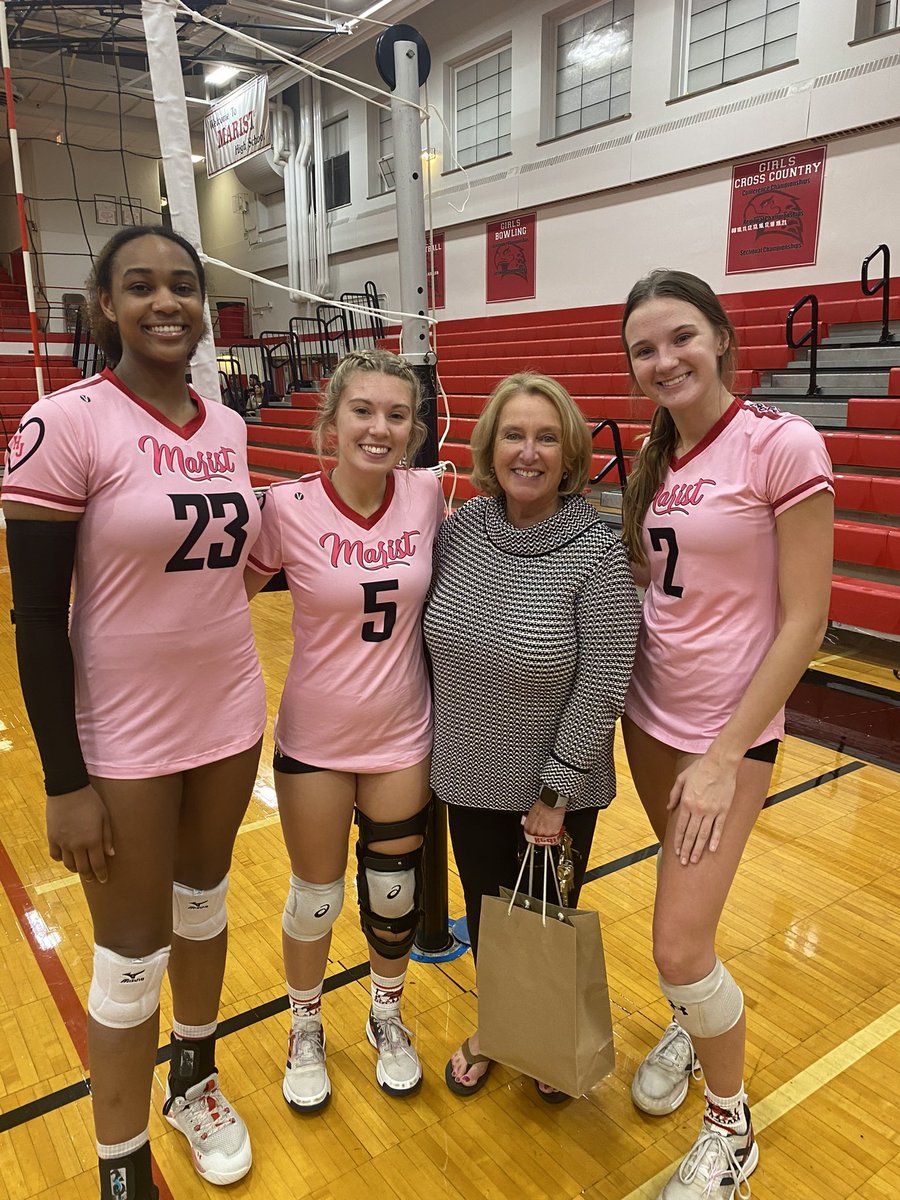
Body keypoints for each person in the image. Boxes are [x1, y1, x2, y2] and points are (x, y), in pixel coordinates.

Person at [2, 226, 267, 1200]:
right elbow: (35, 623)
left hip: (231, 715)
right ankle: (120, 1166)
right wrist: (64, 781)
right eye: (141, 286)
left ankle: (193, 1085)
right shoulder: (64, 423)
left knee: (205, 907)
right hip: (124, 736)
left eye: (184, 287)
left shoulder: (228, 426)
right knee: (129, 955)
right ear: (103, 305)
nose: (168, 302)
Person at [619, 270, 834, 1199]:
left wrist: (721, 756)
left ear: (722, 339)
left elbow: (806, 621)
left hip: (725, 736)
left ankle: (730, 1127)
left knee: (675, 941)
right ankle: (689, 1022)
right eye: (644, 350)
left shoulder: (781, 444)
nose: (664, 360)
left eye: (680, 338)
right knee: (685, 916)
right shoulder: (654, 462)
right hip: (648, 718)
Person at [424, 372, 641, 1100]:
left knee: (542, 921)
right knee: (487, 911)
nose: (529, 450)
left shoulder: (595, 552)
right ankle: (500, 1025)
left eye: (547, 437)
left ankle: (545, 1035)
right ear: (490, 446)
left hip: (553, 789)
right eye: (514, 434)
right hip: (465, 770)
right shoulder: (460, 532)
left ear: (570, 453)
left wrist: (554, 794)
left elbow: (603, 685)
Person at [244, 348, 445, 1111]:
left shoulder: (428, 493)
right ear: (330, 424)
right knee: (316, 896)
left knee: (394, 896)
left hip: (403, 734)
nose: (379, 427)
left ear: (413, 429)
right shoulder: (286, 506)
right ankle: (305, 1027)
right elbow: (222, 596)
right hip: (315, 740)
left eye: (397, 415)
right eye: (363, 411)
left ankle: (386, 1015)